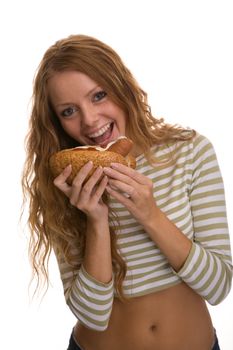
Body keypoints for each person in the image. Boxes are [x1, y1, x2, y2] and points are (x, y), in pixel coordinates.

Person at [22, 34, 232, 350]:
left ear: (122, 88)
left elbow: (218, 286)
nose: (90, 120)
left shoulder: (189, 153)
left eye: (98, 95)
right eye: (69, 111)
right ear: (56, 122)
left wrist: (151, 215)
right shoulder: (63, 184)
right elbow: (92, 315)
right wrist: (96, 220)